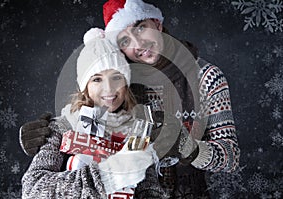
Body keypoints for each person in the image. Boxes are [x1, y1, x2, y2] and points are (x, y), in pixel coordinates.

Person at [20, 0, 240, 198]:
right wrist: (46, 139)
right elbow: (85, 122)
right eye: (125, 40)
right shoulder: (121, 81)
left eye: (141, 27)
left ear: (157, 23)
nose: (138, 44)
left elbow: (230, 158)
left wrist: (191, 149)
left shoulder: (206, 77)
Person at [22, 28, 168, 199]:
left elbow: (149, 190)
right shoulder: (62, 127)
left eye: (116, 77)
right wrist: (107, 177)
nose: (109, 89)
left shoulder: (137, 131)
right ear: (85, 86)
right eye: (97, 79)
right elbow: (32, 189)